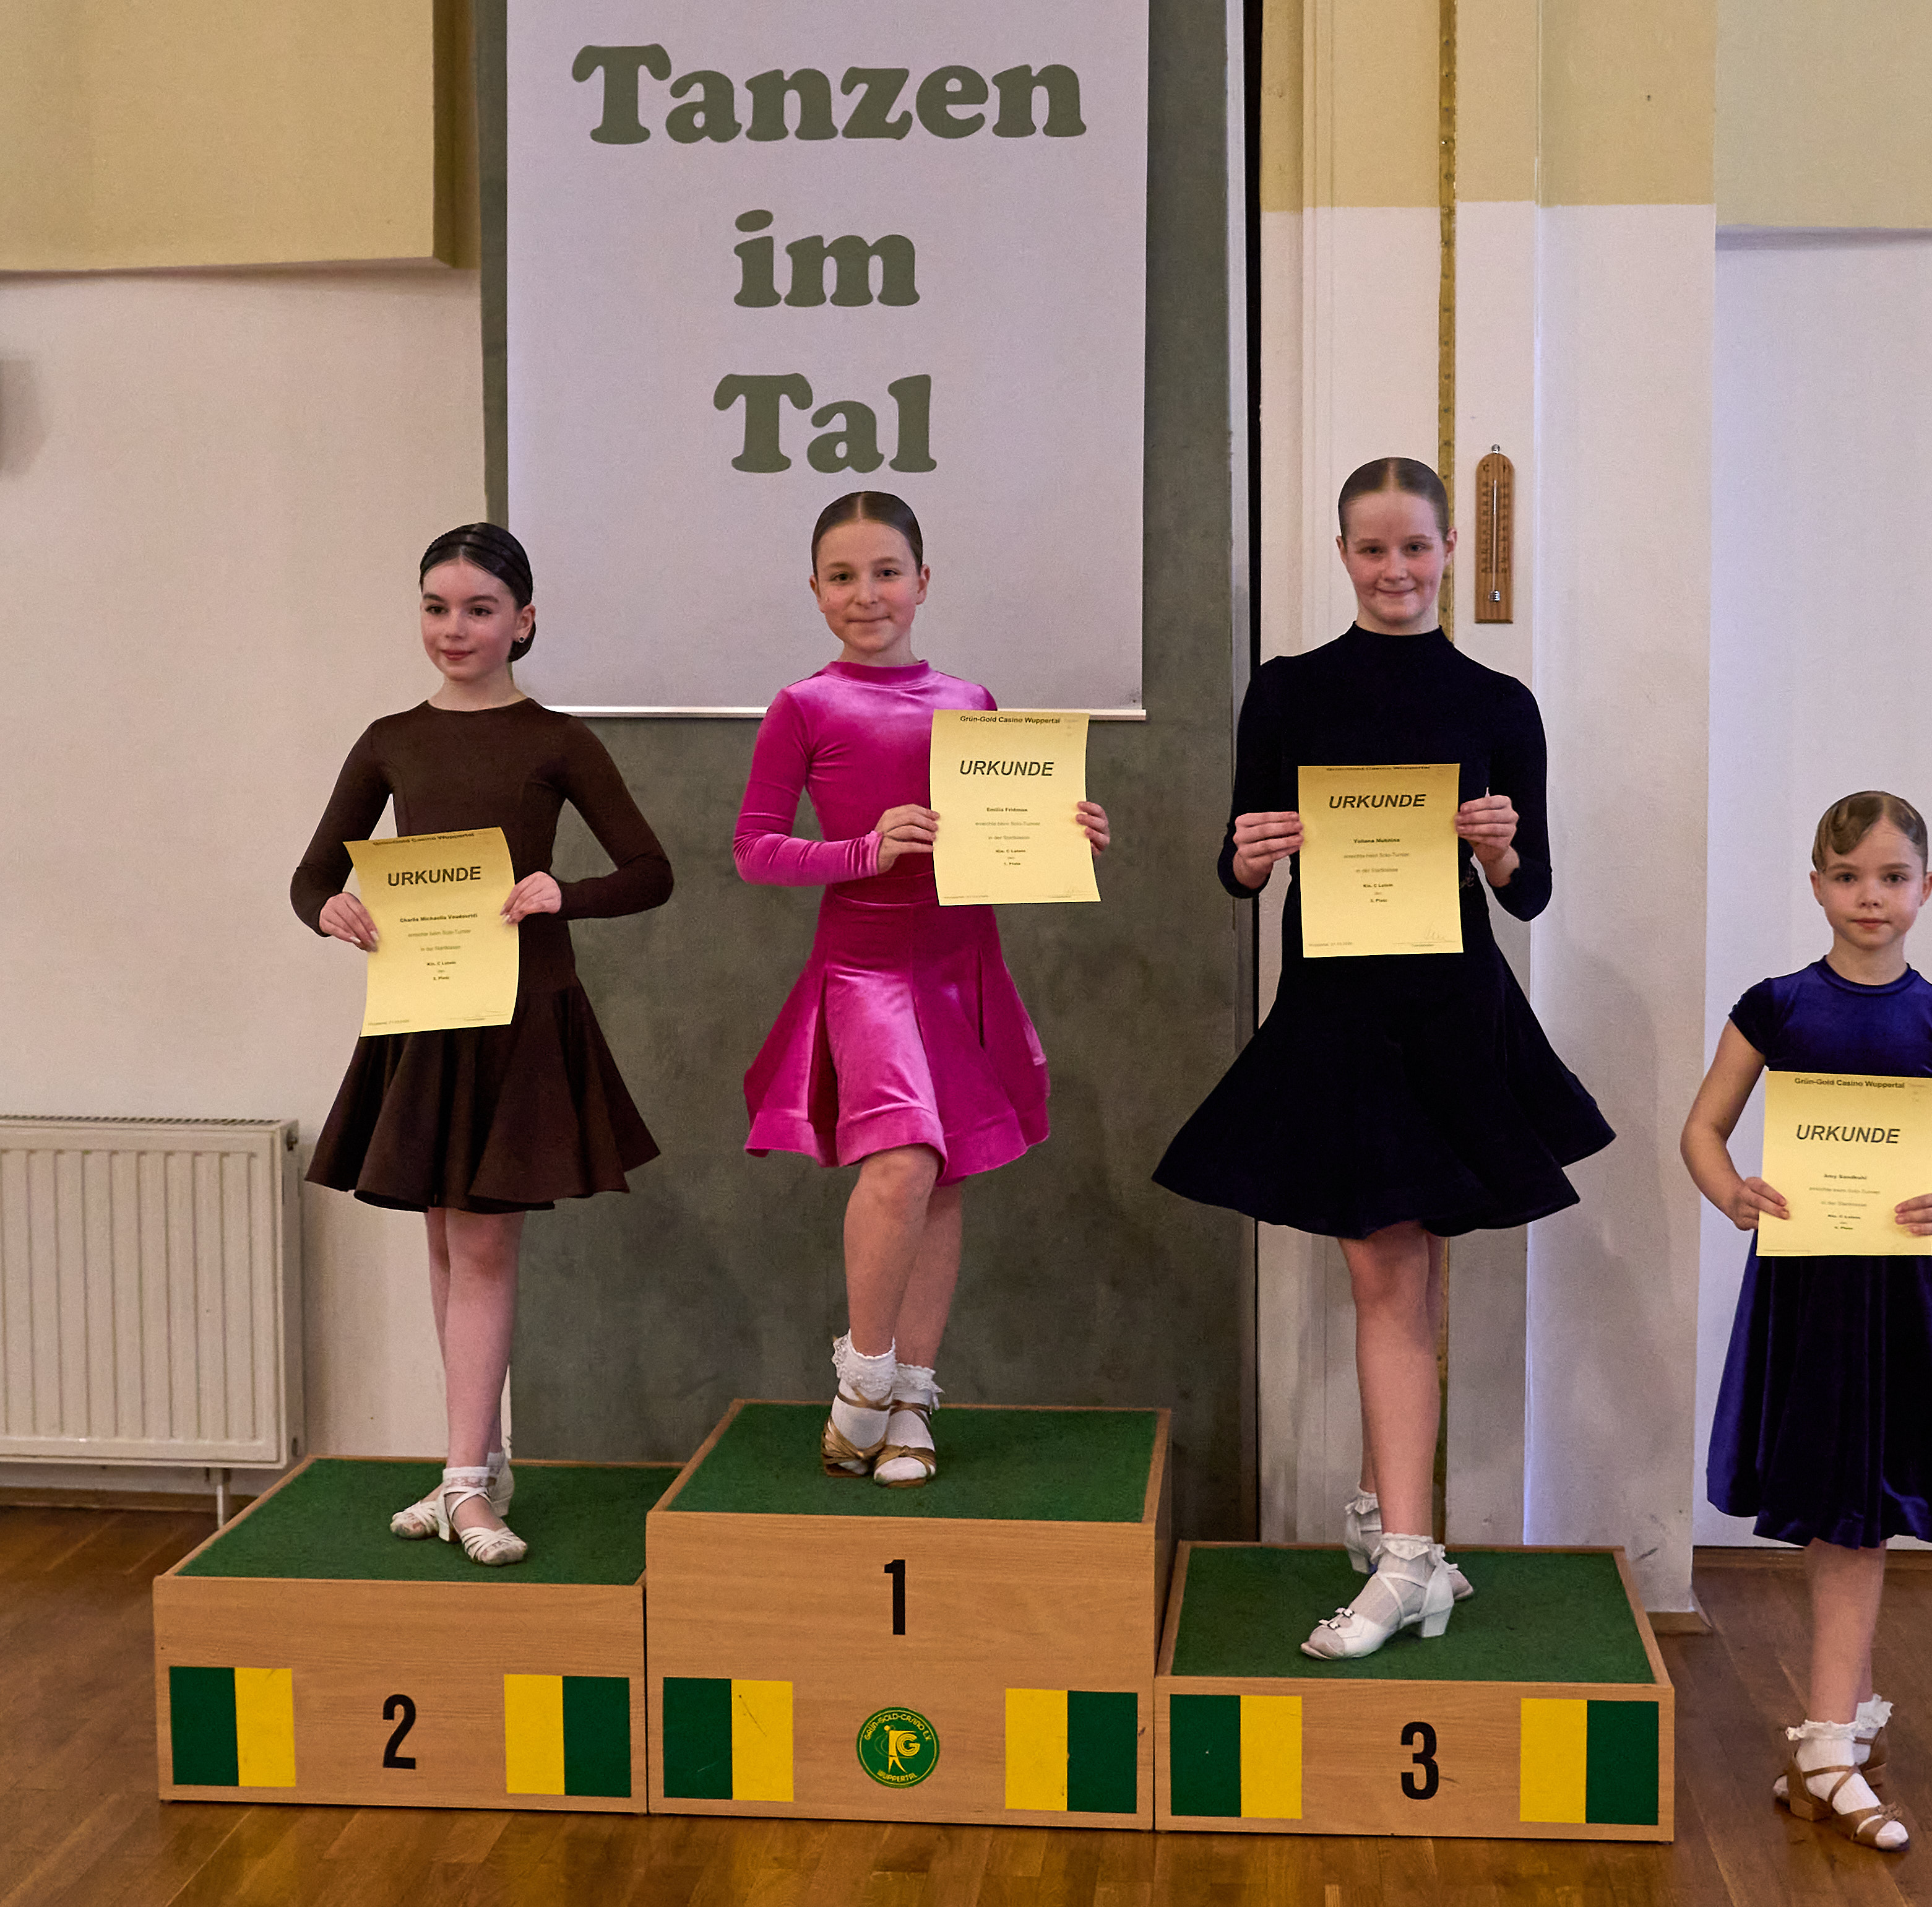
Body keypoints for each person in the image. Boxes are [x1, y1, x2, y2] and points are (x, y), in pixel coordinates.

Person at [1154, 456, 1612, 1659]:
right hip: (1337, 1009)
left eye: (1415, 546)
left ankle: (1402, 1550)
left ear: (1450, 550)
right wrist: (1251, 853)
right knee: (1392, 1271)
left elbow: (1531, 890)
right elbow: (1236, 866)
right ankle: (1398, 1536)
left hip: (1453, 1009)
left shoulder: (1499, 701)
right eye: (1372, 548)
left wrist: (1500, 848)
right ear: (1343, 554)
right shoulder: (1287, 689)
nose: (1395, 568)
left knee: (1401, 1270)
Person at [291, 523, 671, 1565]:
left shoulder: (559, 740)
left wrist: (562, 893)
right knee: (446, 1240)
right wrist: (330, 911)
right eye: (436, 607)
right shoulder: (389, 738)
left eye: (478, 609)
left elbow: (649, 870)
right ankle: (477, 1461)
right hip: (422, 1015)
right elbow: (313, 874)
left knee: (484, 1242)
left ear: (524, 621)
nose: (453, 628)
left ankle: (465, 1481)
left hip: (523, 1017)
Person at [1684, 792, 1932, 1854]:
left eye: (1891, 877)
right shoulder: (1775, 1005)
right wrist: (1731, 1191)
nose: (1869, 896)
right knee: (1842, 1505)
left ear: (1927, 888)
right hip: (1804, 1285)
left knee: (1861, 1504)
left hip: (1897, 1287)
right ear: (1815, 886)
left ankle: (1835, 1736)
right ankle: (1830, 1743)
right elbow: (1702, 1127)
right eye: (1847, 877)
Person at [734, 491, 1108, 1486]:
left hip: (958, 966)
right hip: (864, 970)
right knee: (900, 1164)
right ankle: (863, 1377)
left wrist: (1064, 835)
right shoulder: (804, 705)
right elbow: (755, 849)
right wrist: (863, 849)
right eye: (843, 576)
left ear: (923, 582)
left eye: (887, 572)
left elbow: (1000, 837)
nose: (867, 594)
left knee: (944, 1179)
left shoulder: (971, 700)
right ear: (815, 590)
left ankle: (912, 1401)